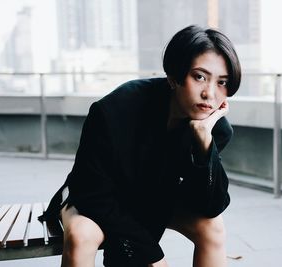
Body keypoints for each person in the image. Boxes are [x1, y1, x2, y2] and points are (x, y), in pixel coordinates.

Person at [40, 25, 241, 267]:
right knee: (81, 236)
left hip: (152, 199)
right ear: (174, 76)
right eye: (199, 76)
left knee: (214, 227)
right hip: (97, 198)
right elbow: (92, 193)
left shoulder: (213, 129)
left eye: (222, 82)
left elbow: (210, 206)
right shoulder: (115, 110)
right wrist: (149, 253)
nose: (210, 93)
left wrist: (203, 141)